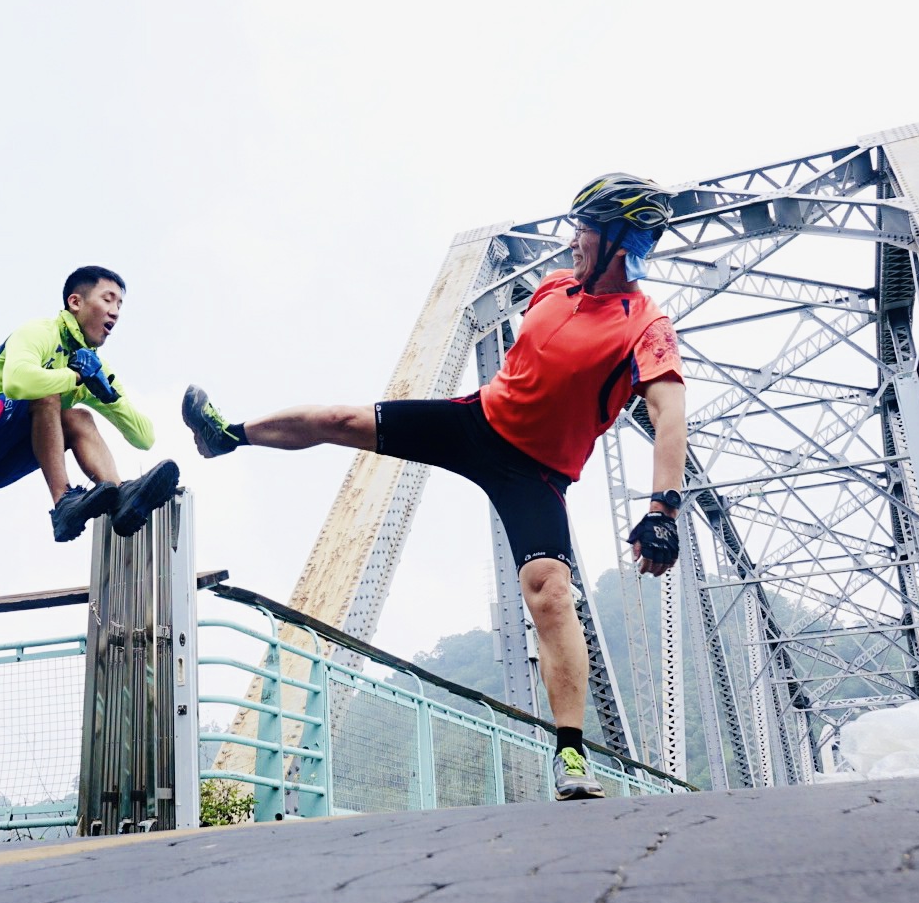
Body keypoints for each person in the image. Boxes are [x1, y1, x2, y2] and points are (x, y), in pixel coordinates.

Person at [181, 174, 686, 801]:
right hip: (477, 422)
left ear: (618, 240)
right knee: (344, 421)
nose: (572, 239)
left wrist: (664, 507)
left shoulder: (646, 324)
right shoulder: (555, 287)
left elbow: (669, 416)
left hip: (535, 473)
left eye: (584, 227)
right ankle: (226, 433)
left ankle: (571, 757)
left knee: (549, 593)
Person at [0, 265, 179, 544]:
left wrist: (111, 398)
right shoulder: (41, 332)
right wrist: (75, 377)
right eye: (107, 299)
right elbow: (17, 383)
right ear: (75, 302)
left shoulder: (94, 366)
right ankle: (63, 504)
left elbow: (144, 437)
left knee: (78, 417)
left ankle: (122, 499)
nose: (116, 311)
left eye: (120, 304)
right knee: (45, 393)